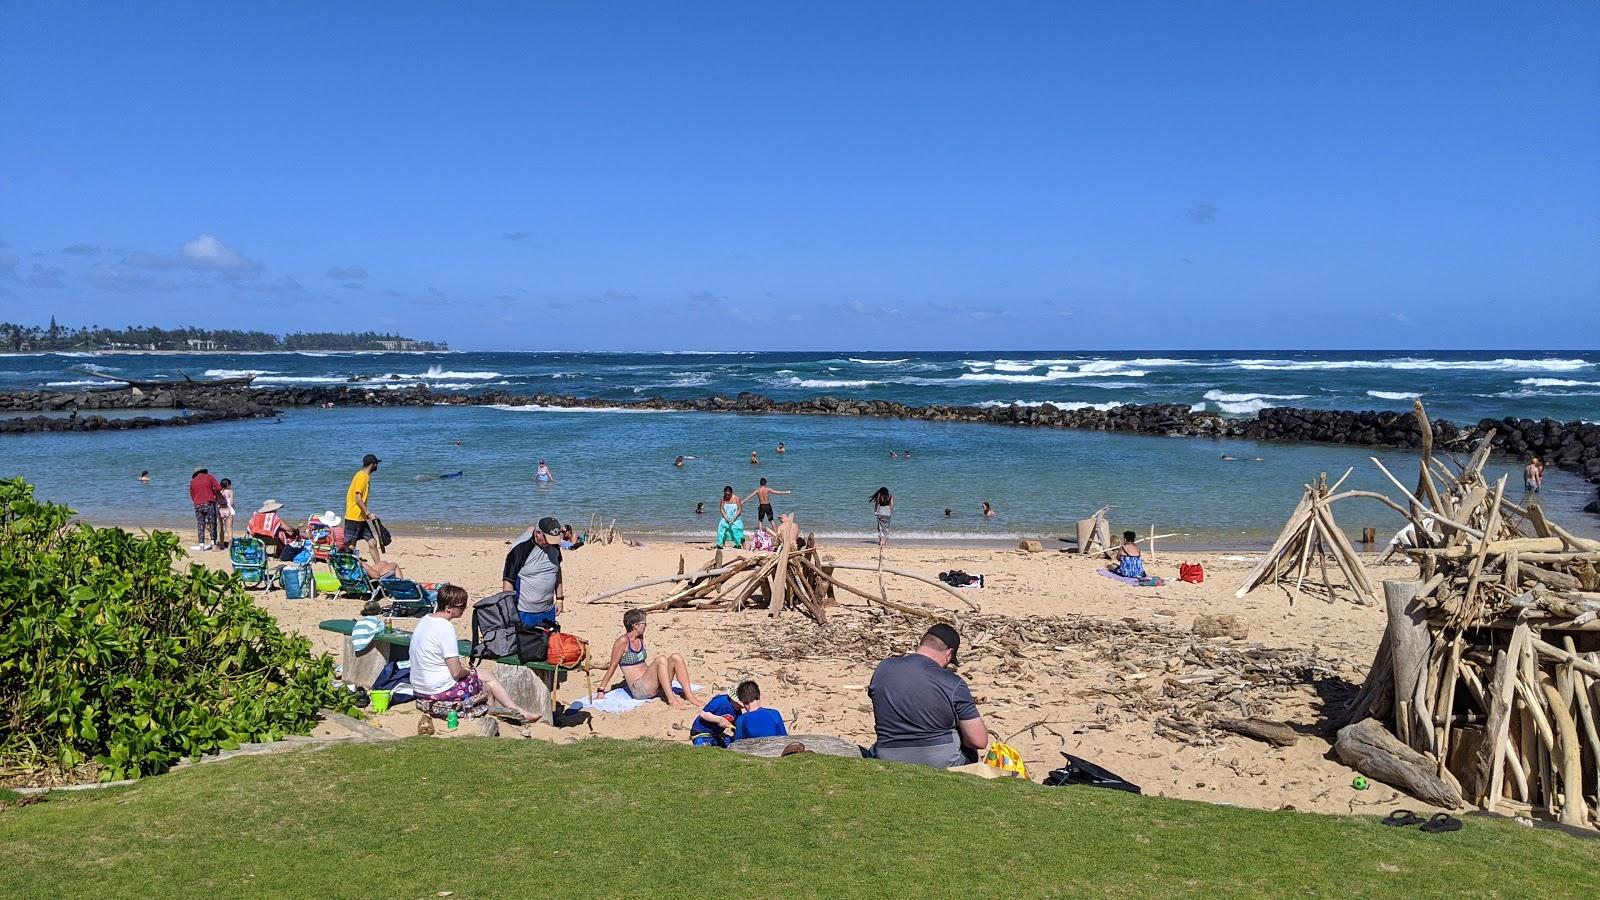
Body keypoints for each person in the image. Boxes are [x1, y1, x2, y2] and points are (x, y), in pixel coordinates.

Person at [410, 585, 540, 723]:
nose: (464, 609)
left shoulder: (426, 619)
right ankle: (500, 715)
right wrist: (466, 670)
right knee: (487, 686)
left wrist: (465, 670)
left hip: (420, 685)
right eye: (461, 607)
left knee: (487, 675)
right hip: (437, 687)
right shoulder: (445, 627)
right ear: (448, 608)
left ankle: (513, 711)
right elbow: (455, 672)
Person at [867, 624, 988, 768]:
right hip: (941, 760)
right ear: (949, 653)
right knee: (971, 749)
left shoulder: (884, 668)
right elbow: (979, 741)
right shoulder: (953, 682)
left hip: (887, 754)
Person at [594, 609, 704, 709]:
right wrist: (601, 690)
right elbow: (613, 666)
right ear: (636, 625)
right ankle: (671, 700)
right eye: (644, 623)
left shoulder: (640, 638)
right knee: (661, 660)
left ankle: (689, 696)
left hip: (652, 683)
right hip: (639, 689)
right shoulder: (622, 642)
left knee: (676, 657)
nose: (646, 626)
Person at [501, 517, 564, 629]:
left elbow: (557, 572)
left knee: (549, 644)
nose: (551, 543)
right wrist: (509, 610)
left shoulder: (554, 545)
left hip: (548, 609)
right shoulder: (520, 549)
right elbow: (508, 581)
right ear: (538, 533)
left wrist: (559, 599)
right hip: (525, 612)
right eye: (548, 539)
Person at [342, 453, 382, 561]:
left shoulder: (365, 477)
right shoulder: (361, 477)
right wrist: (368, 512)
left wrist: (366, 515)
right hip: (353, 517)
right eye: (376, 463)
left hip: (361, 518)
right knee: (350, 546)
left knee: (372, 542)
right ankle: (346, 567)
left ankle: (379, 567)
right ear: (372, 464)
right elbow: (358, 498)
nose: (377, 466)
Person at [188, 466, 222, 551]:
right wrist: (214, 493)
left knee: (200, 524)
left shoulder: (192, 481)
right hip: (209, 502)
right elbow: (219, 488)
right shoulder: (209, 477)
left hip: (197, 504)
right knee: (212, 523)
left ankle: (201, 545)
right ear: (204, 471)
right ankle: (213, 544)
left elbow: (192, 495)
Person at [217, 478, 236, 548]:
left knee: (221, 528)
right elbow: (231, 502)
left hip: (220, 510)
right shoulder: (230, 491)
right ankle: (230, 545)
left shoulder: (219, 492)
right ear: (228, 485)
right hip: (228, 510)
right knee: (229, 529)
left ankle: (222, 545)